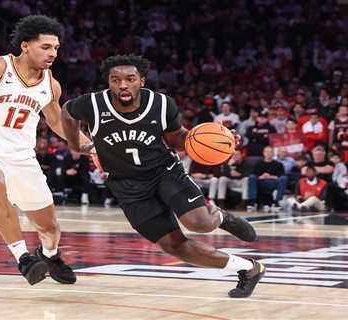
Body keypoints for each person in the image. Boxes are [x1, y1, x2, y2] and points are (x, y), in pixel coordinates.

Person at [61, 55, 264, 298]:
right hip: (126, 185)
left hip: (164, 172)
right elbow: (66, 112)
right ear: (109, 83)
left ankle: (220, 217)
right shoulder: (92, 104)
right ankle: (249, 269)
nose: (122, 85)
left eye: (130, 79)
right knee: (174, 246)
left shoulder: (161, 104)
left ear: (141, 81)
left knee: (199, 223)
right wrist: (75, 143)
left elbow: (176, 138)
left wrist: (219, 139)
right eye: (115, 80)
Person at [0, 15, 90, 285]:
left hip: (23, 159)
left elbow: (57, 121)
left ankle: (50, 255)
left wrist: (90, 147)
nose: (53, 53)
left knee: (49, 227)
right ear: (25, 45)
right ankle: (23, 258)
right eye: (46, 47)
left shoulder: (50, 84)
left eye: (56, 48)